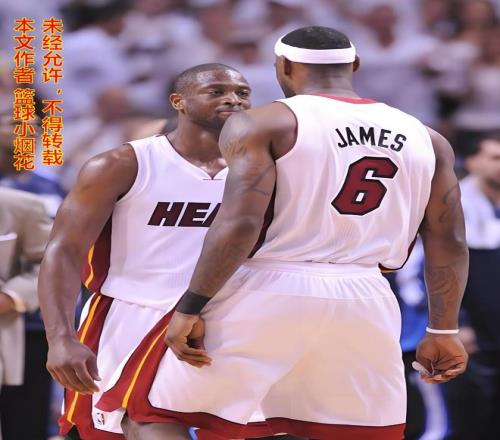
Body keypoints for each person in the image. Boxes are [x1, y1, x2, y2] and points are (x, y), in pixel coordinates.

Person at [97, 26, 470, 440]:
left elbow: (239, 225)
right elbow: (449, 239)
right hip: (367, 295)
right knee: (355, 433)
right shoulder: (428, 138)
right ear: (355, 65)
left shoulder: (263, 123)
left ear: (284, 66)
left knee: (152, 414)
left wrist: (191, 305)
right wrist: (443, 329)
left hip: (271, 285)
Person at [37, 63, 252, 440]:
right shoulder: (121, 164)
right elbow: (64, 251)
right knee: (137, 423)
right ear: (178, 101)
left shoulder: (260, 170)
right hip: (135, 315)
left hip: (230, 317)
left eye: (242, 92)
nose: (233, 99)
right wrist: (60, 338)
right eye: (216, 91)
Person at [442, 133, 500, 439]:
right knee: (472, 420)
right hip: (472, 328)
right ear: (472, 162)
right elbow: (434, 270)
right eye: (495, 157)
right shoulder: (452, 203)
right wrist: (456, 323)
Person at [0, 187, 52, 440]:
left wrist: (11, 296)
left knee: (23, 422)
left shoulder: (21, 205)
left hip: (15, 331)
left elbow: (53, 261)